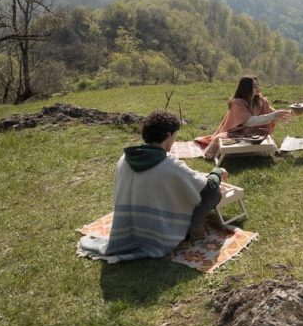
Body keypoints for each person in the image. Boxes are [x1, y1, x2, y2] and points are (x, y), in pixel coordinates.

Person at [79, 110, 227, 261]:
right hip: (160, 235)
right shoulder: (170, 166)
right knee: (215, 192)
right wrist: (217, 172)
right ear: (169, 135)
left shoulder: (124, 159)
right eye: (175, 135)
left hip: (128, 227)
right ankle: (190, 229)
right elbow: (208, 186)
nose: (175, 140)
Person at [195, 76, 291, 160]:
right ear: (246, 89)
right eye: (254, 86)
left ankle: (241, 152)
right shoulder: (238, 102)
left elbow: (273, 116)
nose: (258, 88)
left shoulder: (261, 101)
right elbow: (249, 122)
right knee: (218, 139)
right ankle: (254, 152)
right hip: (236, 134)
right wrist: (274, 115)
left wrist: (291, 113)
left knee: (268, 142)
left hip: (255, 134)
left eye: (257, 85)